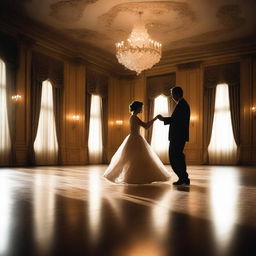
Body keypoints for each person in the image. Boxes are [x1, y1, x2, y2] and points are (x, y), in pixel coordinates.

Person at [104, 101, 170, 184]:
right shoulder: (134, 117)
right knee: (132, 159)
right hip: (135, 138)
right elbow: (146, 126)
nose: (141, 109)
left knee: (133, 159)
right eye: (140, 107)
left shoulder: (133, 117)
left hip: (134, 138)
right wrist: (155, 119)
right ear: (137, 108)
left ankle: (135, 176)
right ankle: (122, 176)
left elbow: (145, 126)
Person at [157, 86, 190, 185]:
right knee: (178, 157)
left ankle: (183, 178)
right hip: (179, 136)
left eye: (172, 95)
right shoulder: (182, 104)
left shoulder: (182, 105)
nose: (172, 97)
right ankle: (183, 178)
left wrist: (163, 119)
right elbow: (176, 119)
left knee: (174, 158)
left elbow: (176, 120)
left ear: (177, 94)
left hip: (177, 137)